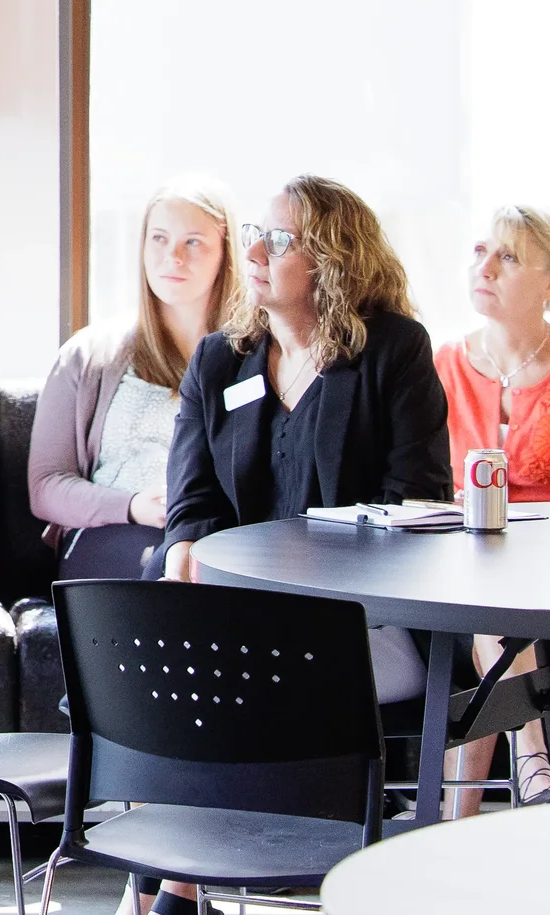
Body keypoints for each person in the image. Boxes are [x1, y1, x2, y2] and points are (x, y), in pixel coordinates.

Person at [155, 176, 450, 913]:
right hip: (238, 617)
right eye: (256, 233)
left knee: (198, 678)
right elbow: (190, 503)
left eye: (280, 240)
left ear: (334, 260)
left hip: (361, 621)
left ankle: (175, 888)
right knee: (165, 619)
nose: (253, 252)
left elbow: (416, 502)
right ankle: (182, 881)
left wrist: (291, 568)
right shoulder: (220, 359)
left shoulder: (392, 351)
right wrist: (193, 553)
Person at [29, 177, 241, 580]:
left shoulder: (253, 359)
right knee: (158, 571)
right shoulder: (90, 355)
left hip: (215, 538)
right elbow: (46, 486)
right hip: (112, 533)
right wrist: (131, 506)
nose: (173, 257)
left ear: (225, 254)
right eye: (159, 238)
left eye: (193, 242)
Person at [436, 207, 550, 811]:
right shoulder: (444, 364)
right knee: (484, 587)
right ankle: (531, 756)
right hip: (456, 565)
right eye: (480, 252)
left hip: (543, 567)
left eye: (508, 257)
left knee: (493, 604)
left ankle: (457, 820)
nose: (485, 268)